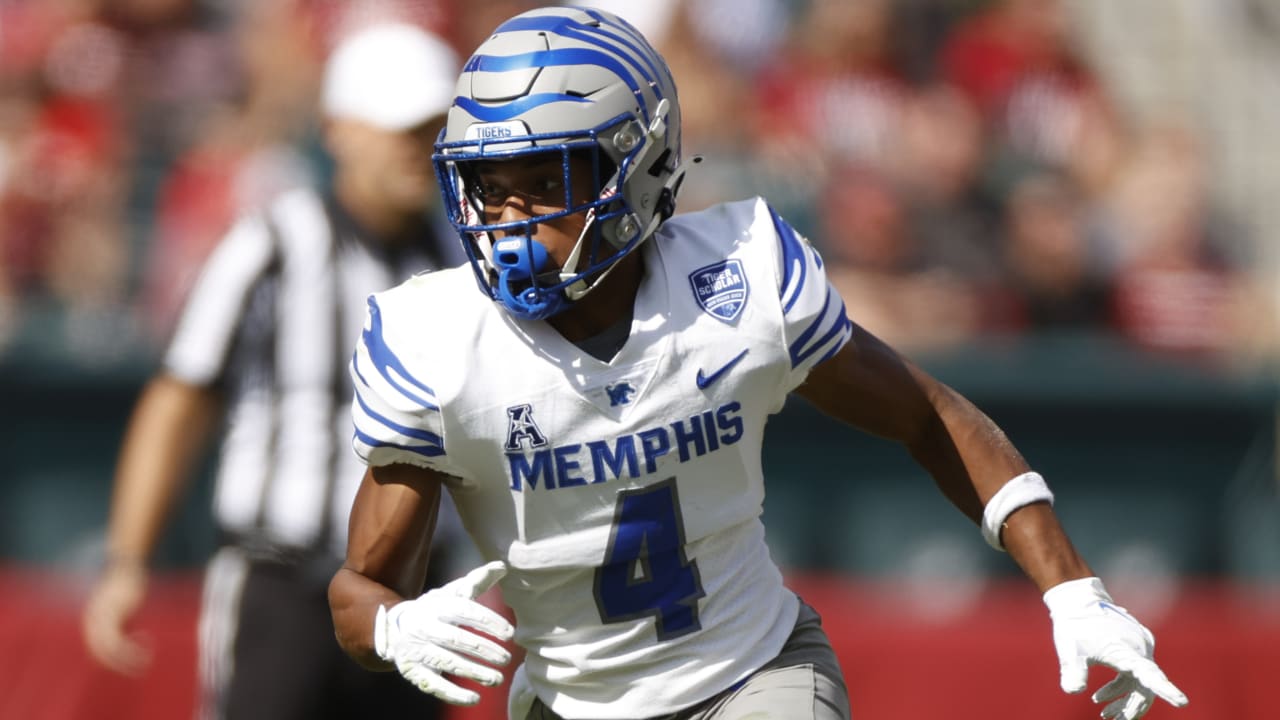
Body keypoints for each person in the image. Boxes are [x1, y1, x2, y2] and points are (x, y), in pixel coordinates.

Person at [328, 7, 1189, 720]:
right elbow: (363, 587)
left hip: (749, 674)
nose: (509, 221)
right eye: (489, 186)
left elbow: (930, 417)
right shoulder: (436, 342)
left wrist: (1073, 590)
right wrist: (393, 628)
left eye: (544, 181)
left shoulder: (736, 281)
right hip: (569, 702)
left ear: (636, 169)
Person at [81, 21, 468, 720]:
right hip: (281, 585)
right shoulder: (272, 243)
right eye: (403, 128)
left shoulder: (463, 259)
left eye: (435, 128)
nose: (421, 148)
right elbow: (181, 396)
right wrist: (127, 561)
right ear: (339, 129)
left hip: (415, 595)